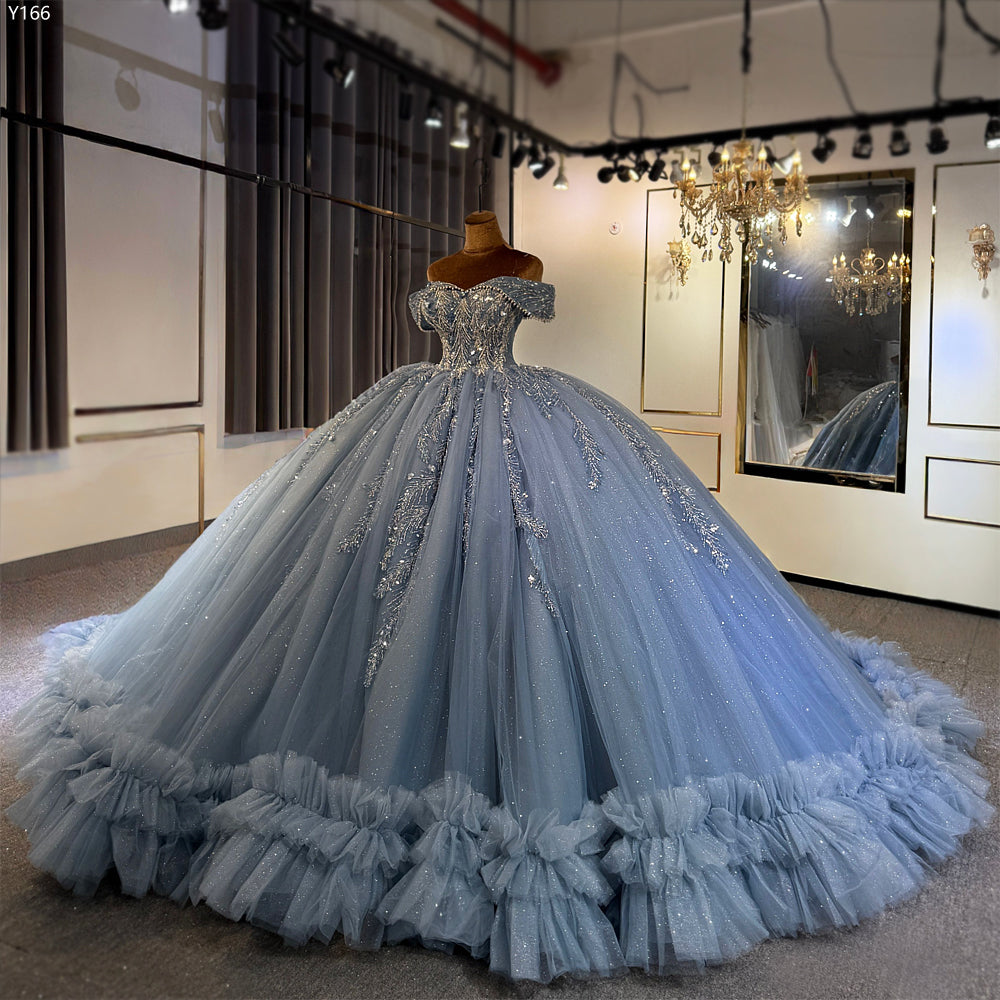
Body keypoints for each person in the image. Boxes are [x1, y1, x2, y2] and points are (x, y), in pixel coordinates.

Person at [7, 212, 991, 983]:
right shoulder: (450, 270)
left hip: (527, 427)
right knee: (370, 578)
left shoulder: (519, 267)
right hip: (416, 419)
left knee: (534, 584)